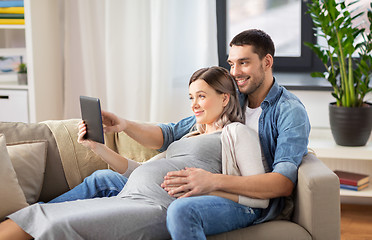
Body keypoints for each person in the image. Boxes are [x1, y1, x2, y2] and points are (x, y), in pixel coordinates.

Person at [0, 66, 268, 240]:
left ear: (224, 98)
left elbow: (258, 195)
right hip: (129, 195)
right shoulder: (190, 134)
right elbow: (138, 171)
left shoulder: (236, 134)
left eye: (201, 96)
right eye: (191, 98)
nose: (194, 104)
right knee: (37, 215)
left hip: (155, 207)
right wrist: (98, 148)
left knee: (57, 226)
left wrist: (209, 187)